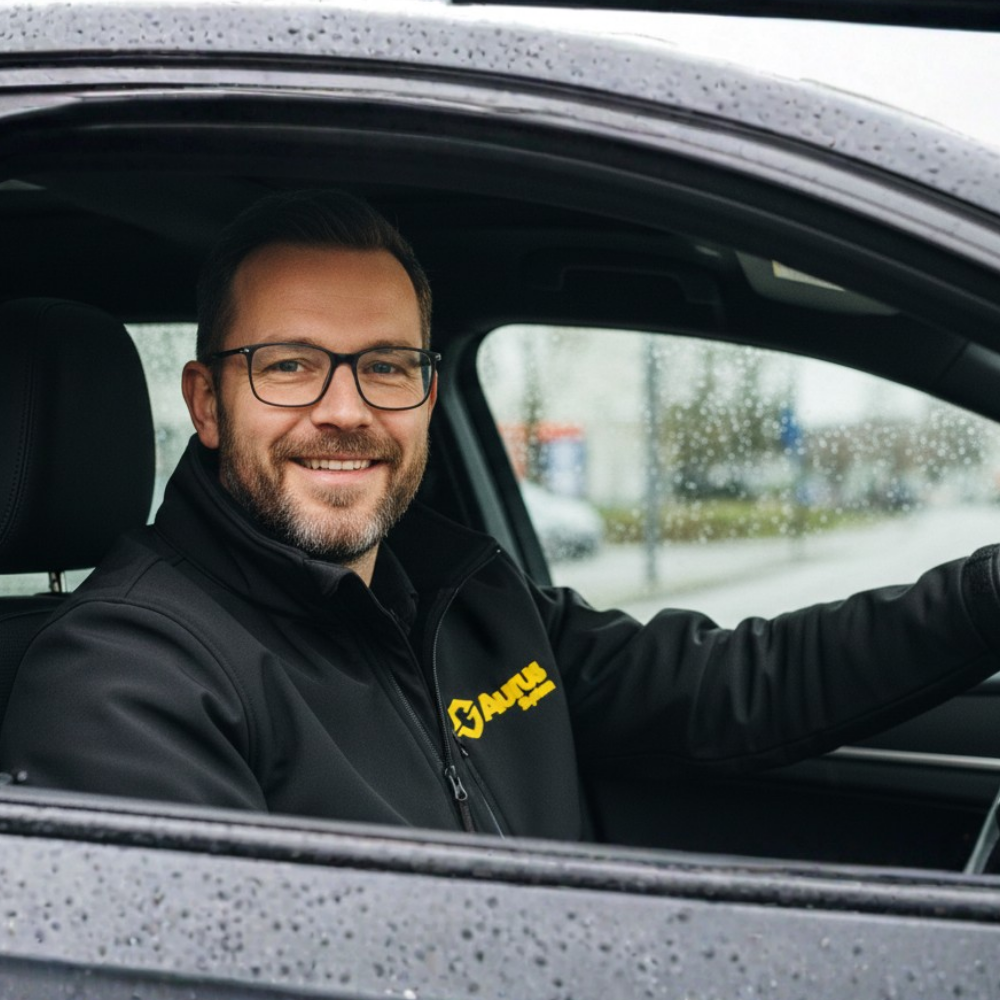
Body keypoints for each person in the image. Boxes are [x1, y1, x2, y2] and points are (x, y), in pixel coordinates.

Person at [2, 189, 998, 839]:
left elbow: (731, 687)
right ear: (208, 405)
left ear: (427, 396)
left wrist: (983, 597)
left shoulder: (462, 591)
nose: (344, 408)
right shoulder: (123, 683)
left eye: (386, 366)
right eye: (291, 365)